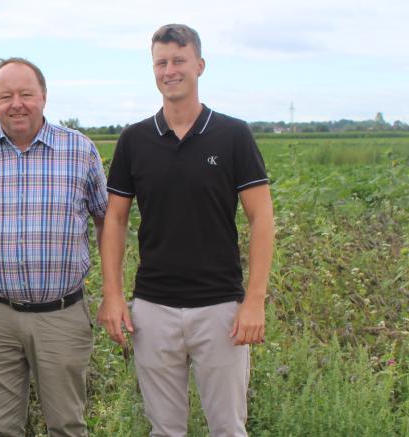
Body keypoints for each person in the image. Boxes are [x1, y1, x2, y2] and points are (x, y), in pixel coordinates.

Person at [98, 24, 275, 437]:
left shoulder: (233, 135)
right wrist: (113, 295)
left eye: (179, 60)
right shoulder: (135, 140)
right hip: (153, 308)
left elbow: (261, 219)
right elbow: (116, 220)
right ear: (153, 69)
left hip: (221, 310)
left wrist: (254, 300)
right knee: (164, 429)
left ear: (200, 65)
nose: (170, 70)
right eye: (161, 62)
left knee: (228, 428)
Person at [0, 57, 109, 437]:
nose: (16, 103)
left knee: (67, 426)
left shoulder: (79, 151)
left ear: (44, 97)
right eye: (5, 96)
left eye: (25, 94)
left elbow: (107, 222)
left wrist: (111, 292)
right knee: (1, 428)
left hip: (61, 314)